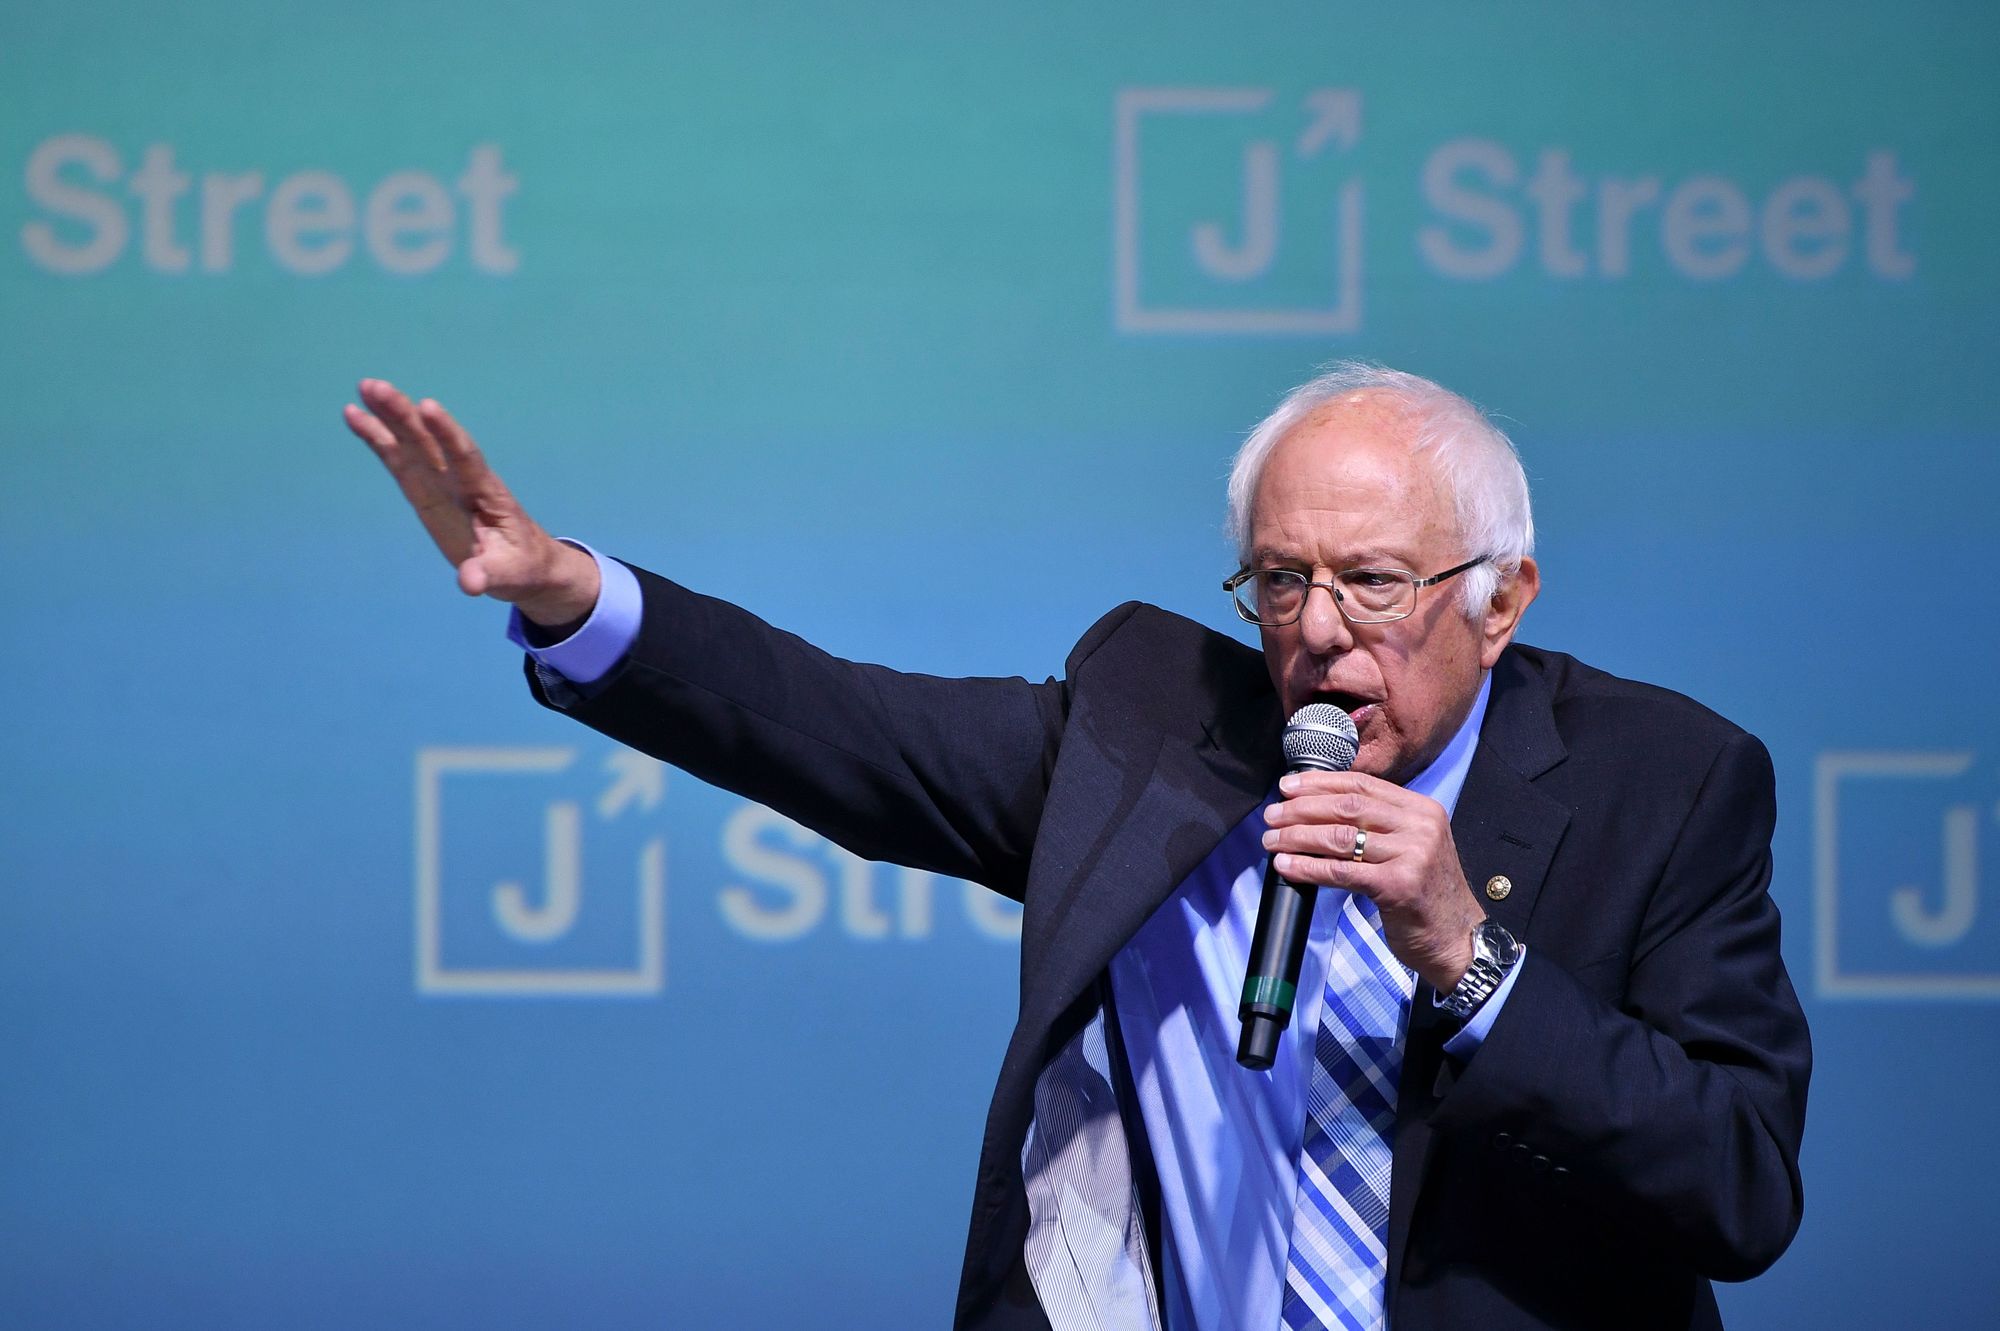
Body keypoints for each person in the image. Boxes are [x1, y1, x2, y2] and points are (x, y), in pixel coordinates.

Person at [344, 363, 1810, 1331]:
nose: (1313, 633)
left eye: (1372, 584)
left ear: (1503, 602)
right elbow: (834, 724)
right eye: (1279, 581)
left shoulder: (1665, 784)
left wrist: (1472, 962)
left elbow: (1739, 1185)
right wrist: (568, 595)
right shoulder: (1148, 734)